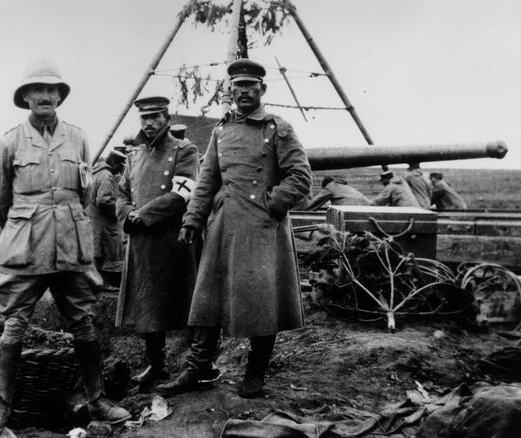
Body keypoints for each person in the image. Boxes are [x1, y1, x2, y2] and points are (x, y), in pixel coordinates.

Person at [0, 56, 130, 438]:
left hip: (71, 246)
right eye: (37, 90)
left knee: (83, 322)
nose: (45, 96)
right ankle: (2, 406)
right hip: (24, 251)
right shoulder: (9, 141)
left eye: (52, 90)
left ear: (60, 96)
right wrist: (26, 224)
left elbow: (85, 190)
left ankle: (96, 399)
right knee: (14, 326)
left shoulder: (77, 137)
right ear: (26, 97)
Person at [157, 59, 312, 399]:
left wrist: (270, 203)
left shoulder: (277, 129)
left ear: (262, 90)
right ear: (230, 91)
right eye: (237, 86)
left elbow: (301, 178)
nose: (243, 92)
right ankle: (197, 369)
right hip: (223, 227)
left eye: (250, 86)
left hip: (262, 231)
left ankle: (255, 374)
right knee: (207, 298)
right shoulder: (220, 131)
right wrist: (193, 220)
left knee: (263, 301)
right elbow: (207, 180)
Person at [115, 96, 199, 392]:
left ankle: (199, 364)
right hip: (140, 242)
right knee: (147, 303)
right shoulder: (134, 156)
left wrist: (145, 214)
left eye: (155, 117)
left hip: (171, 241)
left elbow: (183, 193)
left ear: (166, 117)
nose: (149, 123)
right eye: (144, 118)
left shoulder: (184, 150)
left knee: (185, 302)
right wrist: (128, 214)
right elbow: (121, 194)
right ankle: (157, 363)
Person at [86, 148, 126, 289]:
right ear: (114, 163)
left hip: (92, 218)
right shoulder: (106, 175)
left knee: (96, 251)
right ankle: (104, 283)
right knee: (107, 250)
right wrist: (118, 213)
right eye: (120, 167)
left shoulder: (94, 172)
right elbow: (104, 200)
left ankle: (97, 282)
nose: (121, 171)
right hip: (102, 220)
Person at [304, 175, 369, 210]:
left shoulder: (330, 186)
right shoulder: (342, 186)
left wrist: (304, 209)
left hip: (351, 207)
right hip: (365, 204)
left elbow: (317, 200)